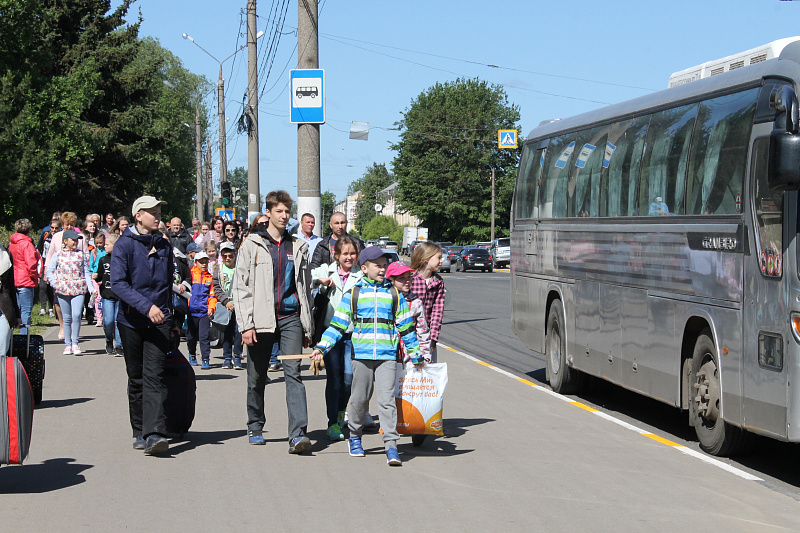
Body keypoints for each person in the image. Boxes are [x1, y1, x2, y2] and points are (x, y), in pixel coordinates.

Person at [310, 246, 422, 466]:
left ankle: (391, 445)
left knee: (387, 402)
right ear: (364, 268)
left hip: (387, 356)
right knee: (359, 400)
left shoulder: (393, 294)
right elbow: (338, 325)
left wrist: (416, 355)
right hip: (361, 355)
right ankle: (355, 437)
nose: (382, 269)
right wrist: (322, 347)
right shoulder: (355, 293)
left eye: (384, 265)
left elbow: (406, 327)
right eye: (377, 265)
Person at [232, 191, 315, 453]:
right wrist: (246, 324)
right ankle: (255, 425)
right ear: (268, 213)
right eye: (279, 211)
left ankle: (298, 434)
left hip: (290, 318)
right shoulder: (253, 244)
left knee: (294, 374)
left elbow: (305, 288)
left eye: (287, 211)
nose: (284, 216)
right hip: (260, 320)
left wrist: (307, 326)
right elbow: (241, 287)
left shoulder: (298, 246)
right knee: (257, 376)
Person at [111, 195, 174, 455]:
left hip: (160, 321)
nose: (157, 216)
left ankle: (155, 433)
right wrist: (146, 306)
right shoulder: (124, 245)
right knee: (136, 377)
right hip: (131, 321)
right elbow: (118, 284)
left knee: (156, 376)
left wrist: (174, 319)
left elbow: (168, 283)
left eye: (159, 211)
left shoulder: (164, 245)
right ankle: (139, 429)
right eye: (152, 212)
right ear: (138, 216)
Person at [311, 235, 362, 441]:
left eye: (353, 253)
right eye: (345, 253)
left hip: (354, 334)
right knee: (334, 378)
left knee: (349, 378)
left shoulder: (361, 274)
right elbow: (304, 276)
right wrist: (319, 281)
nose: (349, 257)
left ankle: (342, 411)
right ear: (337, 255)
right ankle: (332, 422)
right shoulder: (326, 270)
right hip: (330, 332)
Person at [46, 229, 94, 355]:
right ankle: (67, 344)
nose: (75, 242)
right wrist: (55, 283)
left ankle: (75, 343)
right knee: (66, 317)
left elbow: (86, 273)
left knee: (77, 315)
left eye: (77, 240)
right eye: (73, 240)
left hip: (79, 288)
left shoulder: (81, 255)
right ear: (65, 241)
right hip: (63, 289)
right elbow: (50, 271)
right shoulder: (58, 254)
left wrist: (91, 288)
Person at [410, 242, 445, 362]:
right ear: (426, 259)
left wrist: (433, 339)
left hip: (427, 337)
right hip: (408, 335)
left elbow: (437, 312)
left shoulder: (438, 282)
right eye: (439, 258)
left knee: (427, 372)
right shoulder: (410, 278)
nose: (442, 261)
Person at [213, 242, 243, 370]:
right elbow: (217, 287)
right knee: (226, 332)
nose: (227, 258)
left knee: (239, 332)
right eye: (224, 256)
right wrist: (226, 301)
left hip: (240, 304)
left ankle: (237, 357)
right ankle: (227, 358)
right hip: (226, 305)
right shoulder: (218, 269)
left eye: (230, 255)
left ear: (234, 255)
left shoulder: (240, 268)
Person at [9, 218, 41, 335]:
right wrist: (35, 277)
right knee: (26, 312)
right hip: (26, 280)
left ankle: (11, 338)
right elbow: (31, 264)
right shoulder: (27, 244)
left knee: (15, 311)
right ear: (29, 230)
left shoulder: (11, 244)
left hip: (14, 279)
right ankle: (24, 338)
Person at [186, 251, 216, 369]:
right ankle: (192, 354)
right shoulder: (191, 275)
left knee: (204, 336)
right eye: (201, 262)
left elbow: (212, 296)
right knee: (191, 336)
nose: (204, 264)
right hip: (191, 311)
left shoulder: (210, 278)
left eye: (205, 262)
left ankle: (205, 359)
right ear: (195, 263)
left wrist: (211, 307)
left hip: (204, 312)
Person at [97, 234, 123, 355]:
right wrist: (96, 277)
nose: (105, 246)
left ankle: (119, 345)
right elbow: (100, 275)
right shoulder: (103, 260)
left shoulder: (122, 259)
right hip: (107, 295)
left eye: (107, 244)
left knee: (118, 321)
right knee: (108, 321)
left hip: (120, 296)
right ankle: (109, 339)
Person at [36, 219, 60, 317]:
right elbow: (39, 247)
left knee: (51, 287)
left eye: (56, 228)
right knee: (42, 286)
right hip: (45, 262)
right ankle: (42, 308)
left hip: (57, 264)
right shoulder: (46, 234)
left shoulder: (60, 237)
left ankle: (51, 308)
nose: (54, 230)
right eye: (52, 227)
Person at [0, 242, 19, 356]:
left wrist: (17, 314)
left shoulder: (6, 255)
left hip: (4, 308)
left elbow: (11, 287)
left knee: (1, 351)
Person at [89, 232, 107, 326]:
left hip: (105, 275)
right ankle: (99, 318)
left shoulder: (106, 251)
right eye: (97, 243)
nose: (99, 245)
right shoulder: (94, 252)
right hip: (96, 276)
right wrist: (93, 273)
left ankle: (105, 316)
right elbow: (91, 265)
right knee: (97, 297)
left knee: (104, 297)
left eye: (101, 242)